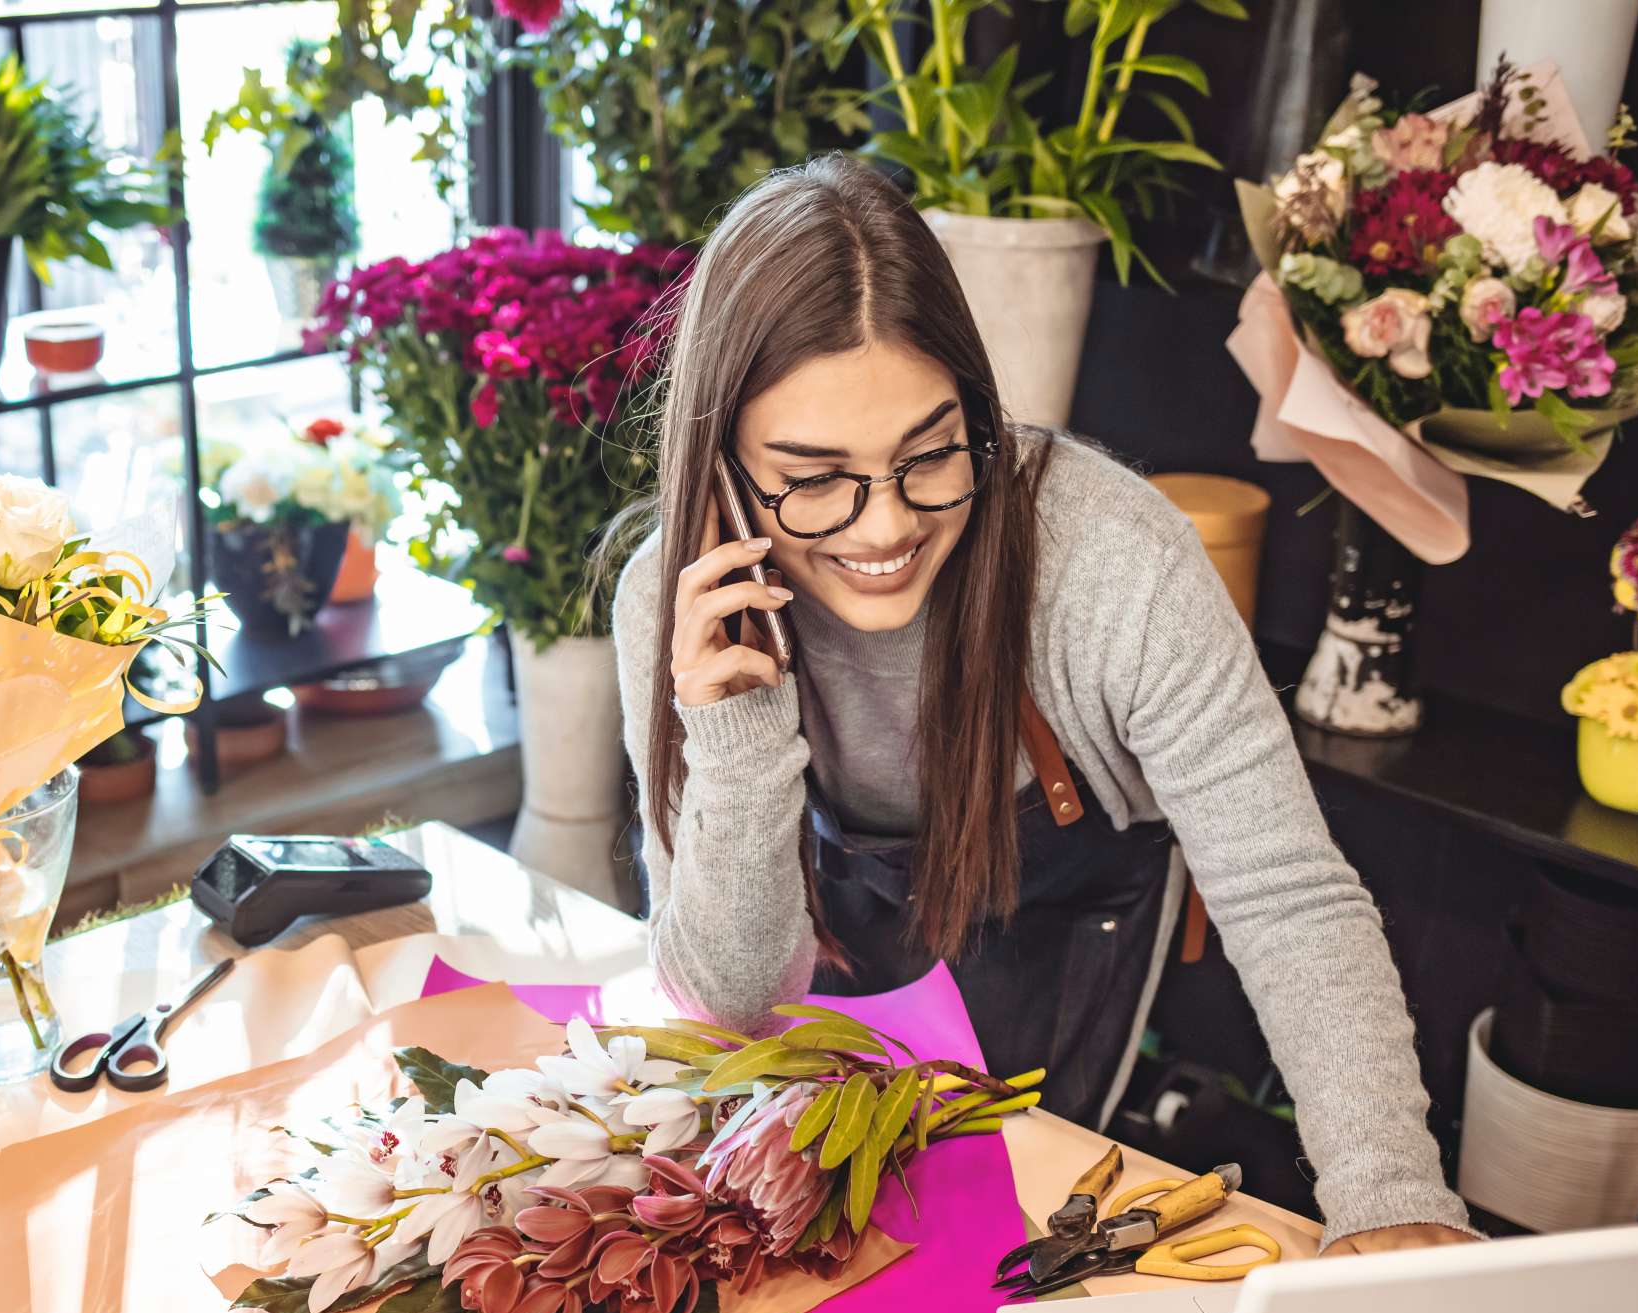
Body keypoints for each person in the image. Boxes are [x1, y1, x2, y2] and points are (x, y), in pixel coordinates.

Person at [607, 155, 1473, 1255]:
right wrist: (733, 747)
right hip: (802, 1062)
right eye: (813, 477)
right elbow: (723, 1011)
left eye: (929, 454)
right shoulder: (671, 597)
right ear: (719, 460)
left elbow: (1287, 895)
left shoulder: (1110, 559)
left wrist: (1388, 1191)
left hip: (1057, 992)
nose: (882, 530)